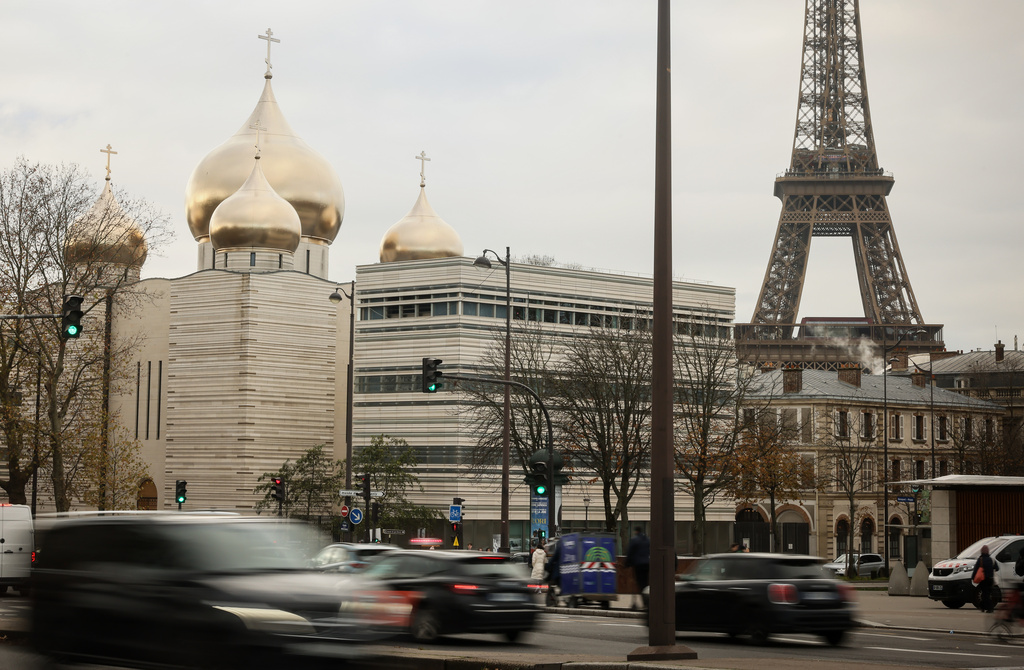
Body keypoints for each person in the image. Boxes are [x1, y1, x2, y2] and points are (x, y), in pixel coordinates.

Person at [626, 527, 651, 609]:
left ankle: (644, 602)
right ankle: (647, 602)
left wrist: (627, 563)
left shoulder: (634, 540)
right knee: (645, 583)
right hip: (647, 564)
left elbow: (630, 552)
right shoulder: (647, 540)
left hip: (638, 564)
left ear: (636, 531)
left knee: (640, 584)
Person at [972, 544, 999, 613]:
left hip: (983, 579)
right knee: (987, 593)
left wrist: (973, 577)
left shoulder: (980, 560)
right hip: (990, 579)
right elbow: (997, 568)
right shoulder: (992, 559)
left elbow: (976, 569)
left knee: (985, 594)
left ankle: (989, 608)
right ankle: (982, 607)